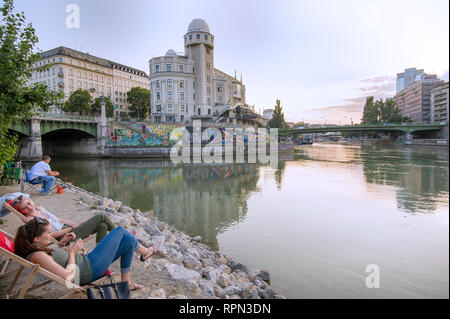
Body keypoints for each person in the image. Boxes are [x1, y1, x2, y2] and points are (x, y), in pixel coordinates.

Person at [14, 217, 157, 290]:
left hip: (88, 262)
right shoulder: (36, 256)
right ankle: (145, 252)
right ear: (37, 238)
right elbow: (68, 278)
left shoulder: (38, 248)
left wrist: (63, 242)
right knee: (120, 231)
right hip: (90, 269)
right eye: (48, 233)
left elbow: (56, 258)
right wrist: (72, 253)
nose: (51, 234)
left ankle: (127, 283)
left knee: (128, 241)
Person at [11, 195, 118, 245]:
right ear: (21, 211)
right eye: (25, 208)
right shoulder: (31, 220)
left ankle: (99, 247)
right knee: (102, 216)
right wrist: (71, 228)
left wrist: (75, 224)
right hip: (63, 237)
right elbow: (51, 236)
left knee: (103, 225)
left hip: (67, 229)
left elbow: (58, 220)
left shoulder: (40, 209)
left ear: (31, 201)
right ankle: (121, 236)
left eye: (29, 203)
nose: (29, 207)